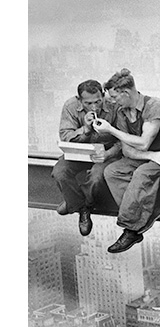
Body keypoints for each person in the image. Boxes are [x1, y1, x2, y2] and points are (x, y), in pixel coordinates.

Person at [94, 69, 160, 253]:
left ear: (127, 93)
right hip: (149, 156)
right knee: (112, 171)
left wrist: (111, 130)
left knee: (141, 174)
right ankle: (148, 213)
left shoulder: (154, 106)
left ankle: (130, 229)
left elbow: (143, 142)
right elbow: (127, 148)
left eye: (115, 97)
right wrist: (149, 156)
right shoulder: (123, 112)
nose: (113, 102)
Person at [52, 79, 121, 236]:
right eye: (88, 103)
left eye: (97, 101)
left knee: (97, 178)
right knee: (60, 172)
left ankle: (75, 203)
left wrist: (108, 154)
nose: (94, 107)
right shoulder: (70, 106)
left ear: (103, 95)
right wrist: (86, 129)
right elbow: (65, 136)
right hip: (78, 151)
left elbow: (122, 139)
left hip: (105, 152)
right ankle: (80, 207)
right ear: (79, 100)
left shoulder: (114, 105)